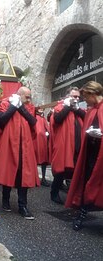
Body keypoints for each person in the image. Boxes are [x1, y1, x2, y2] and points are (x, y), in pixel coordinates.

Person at [0, 87, 40, 220]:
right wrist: (13, 106)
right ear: (19, 95)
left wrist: (21, 107)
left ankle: (22, 205)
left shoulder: (29, 107)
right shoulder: (5, 103)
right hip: (9, 144)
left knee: (23, 175)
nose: (29, 99)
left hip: (24, 146)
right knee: (8, 172)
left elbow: (33, 122)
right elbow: (2, 121)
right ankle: (5, 199)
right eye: (27, 96)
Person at [65, 81, 103, 231]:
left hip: (100, 155)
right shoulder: (92, 110)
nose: (84, 100)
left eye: (86, 97)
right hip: (91, 154)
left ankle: (82, 214)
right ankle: (82, 213)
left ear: (93, 94)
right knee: (87, 181)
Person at [49, 87, 85, 204]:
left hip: (77, 145)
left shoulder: (78, 110)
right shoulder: (60, 107)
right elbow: (57, 119)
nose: (77, 99)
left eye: (78, 97)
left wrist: (77, 109)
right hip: (64, 145)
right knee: (61, 170)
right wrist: (68, 106)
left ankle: (74, 194)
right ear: (68, 96)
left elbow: (86, 118)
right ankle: (54, 193)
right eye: (74, 96)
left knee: (76, 171)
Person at [34, 107, 50, 187]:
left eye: (42, 109)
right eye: (40, 109)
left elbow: (48, 128)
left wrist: (47, 133)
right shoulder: (35, 117)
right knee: (34, 160)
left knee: (44, 161)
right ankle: (35, 178)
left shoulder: (42, 118)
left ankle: (43, 178)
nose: (42, 110)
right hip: (36, 142)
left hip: (43, 142)